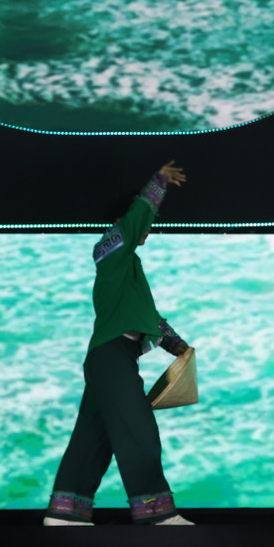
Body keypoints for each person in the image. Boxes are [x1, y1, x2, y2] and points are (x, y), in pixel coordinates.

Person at [45, 162, 194, 527]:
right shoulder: (110, 249)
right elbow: (136, 219)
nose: (148, 229)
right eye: (144, 223)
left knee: (92, 438)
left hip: (112, 358)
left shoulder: (129, 266)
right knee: (138, 430)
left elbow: (149, 318)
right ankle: (157, 515)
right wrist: (159, 182)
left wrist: (179, 347)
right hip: (111, 357)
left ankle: (66, 515)